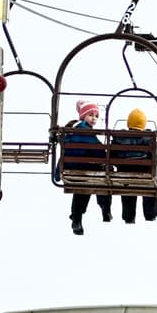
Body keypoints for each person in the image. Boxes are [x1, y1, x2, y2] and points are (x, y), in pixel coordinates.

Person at [61, 99, 112, 235]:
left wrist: (57, 172)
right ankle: (105, 208)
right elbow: (98, 150)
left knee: (83, 187)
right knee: (102, 175)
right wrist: (106, 156)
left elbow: (64, 154)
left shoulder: (71, 131)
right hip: (82, 167)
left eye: (96, 116)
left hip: (72, 167)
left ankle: (76, 217)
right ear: (83, 116)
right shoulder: (84, 131)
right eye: (90, 115)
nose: (94, 118)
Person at [115, 108, 157, 224]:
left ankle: (128, 217)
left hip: (124, 173)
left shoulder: (119, 137)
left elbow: (113, 155)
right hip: (144, 173)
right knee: (150, 187)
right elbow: (156, 160)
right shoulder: (149, 138)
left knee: (128, 188)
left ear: (128, 123)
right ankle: (150, 215)